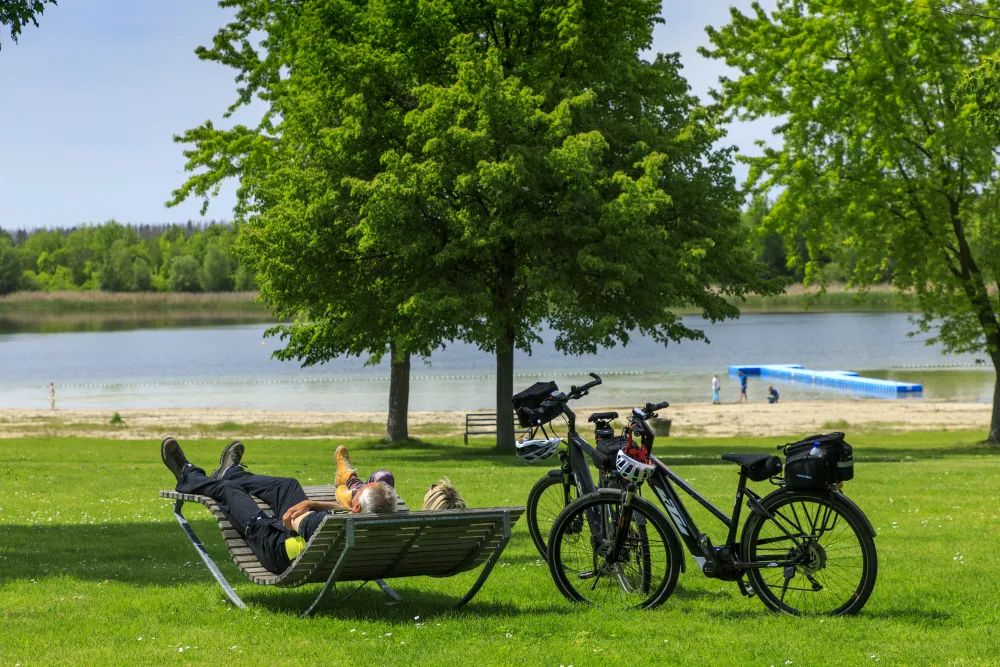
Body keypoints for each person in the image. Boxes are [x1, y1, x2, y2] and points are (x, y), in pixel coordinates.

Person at [161, 438, 398, 575]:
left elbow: (292, 520)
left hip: (272, 543)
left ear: (357, 510)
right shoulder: (375, 525)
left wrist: (300, 512)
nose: (351, 497)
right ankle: (231, 472)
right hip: (304, 544)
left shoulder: (321, 524)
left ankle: (187, 475)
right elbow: (346, 512)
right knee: (288, 485)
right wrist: (313, 502)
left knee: (230, 493)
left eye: (355, 497)